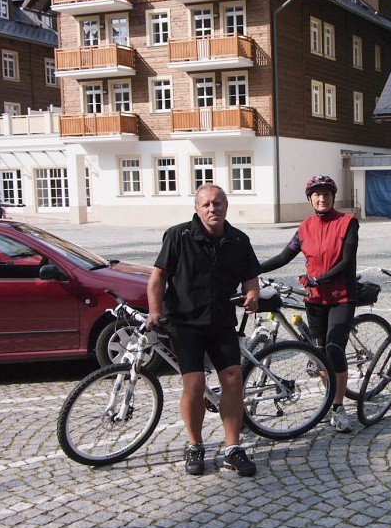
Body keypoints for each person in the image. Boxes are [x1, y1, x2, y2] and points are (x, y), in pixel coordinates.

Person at [146, 184, 260, 477]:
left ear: (226, 206)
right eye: (207, 204)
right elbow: (158, 277)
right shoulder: (178, 236)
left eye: (218, 203)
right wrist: (155, 311)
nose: (213, 209)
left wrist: (252, 294)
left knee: (233, 379)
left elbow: (251, 278)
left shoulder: (238, 240)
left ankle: (233, 448)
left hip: (221, 321)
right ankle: (195, 445)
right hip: (184, 322)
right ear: (197, 208)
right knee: (194, 384)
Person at [260, 175, 359, 433]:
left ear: (332, 197)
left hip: (341, 297)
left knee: (335, 350)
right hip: (315, 299)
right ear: (310, 199)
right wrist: (251, 269)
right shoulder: (304, 228)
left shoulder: (348, 223)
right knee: (320, 356)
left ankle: (338, 407)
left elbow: (346, 261)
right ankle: (330, 399)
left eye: (326, 194)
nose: (322, 198)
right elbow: (284, 256)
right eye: (316, 194)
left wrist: (319, 278)